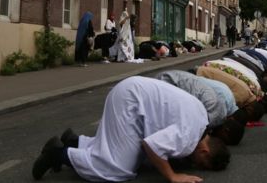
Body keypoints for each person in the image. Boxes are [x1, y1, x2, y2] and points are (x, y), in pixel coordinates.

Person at [31, 76, 230, 182]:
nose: (196, 167)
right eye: (201, 164)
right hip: (130, 102)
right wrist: (173, 176)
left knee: (127, 154)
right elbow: (151, 145)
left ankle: (75, 142)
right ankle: (57, 154)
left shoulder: (202, 120)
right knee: (117, 169)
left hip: (132, 94)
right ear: (204, 150)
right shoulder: (189, 139)